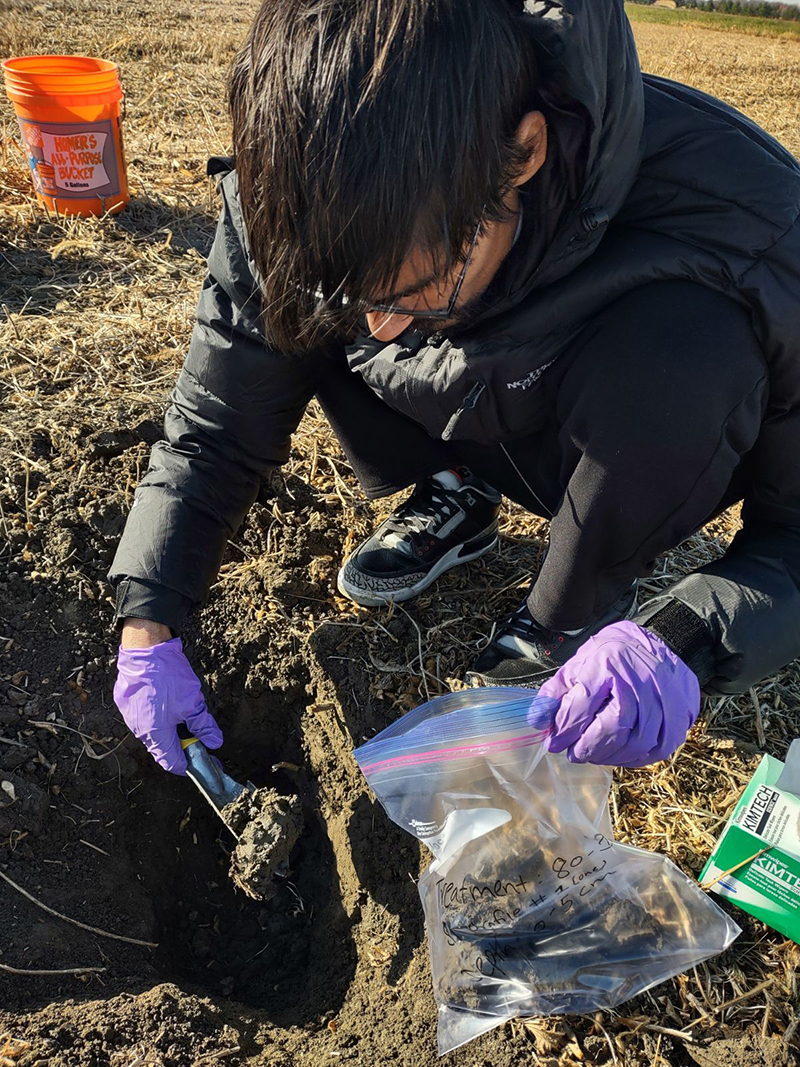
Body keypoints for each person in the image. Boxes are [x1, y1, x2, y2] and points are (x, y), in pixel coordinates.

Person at [111, 0, 800, 776]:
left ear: (524, 155)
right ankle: (452, 491)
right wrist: (149, 616)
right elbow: (216, 423)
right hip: (453, 407)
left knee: (689, 346)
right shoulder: (291, 189)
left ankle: (569, 615)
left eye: (414, 292)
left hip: (611, 439)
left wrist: (687, 637)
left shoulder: (752, 220)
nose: (378, 330)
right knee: (332, 300)